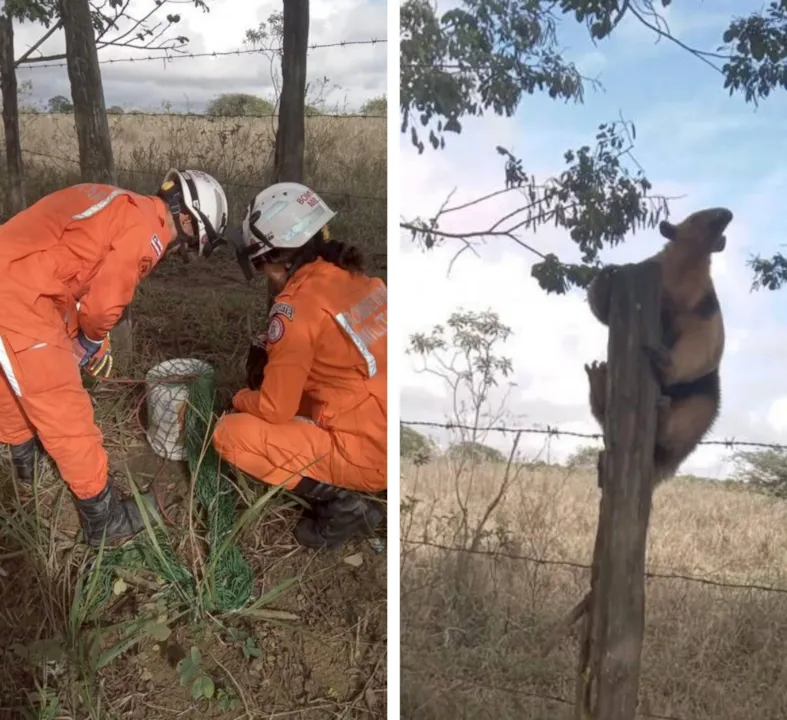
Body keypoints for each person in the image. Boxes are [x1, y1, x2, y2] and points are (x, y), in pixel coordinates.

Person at [0, 169, 229, 546]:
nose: (180, 250)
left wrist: (89, 336)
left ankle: (25, 462)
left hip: (17, 274)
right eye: (189, 243)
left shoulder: (123, 204)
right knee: (65, 406)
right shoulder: (149, 232)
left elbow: (70, 269)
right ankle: (103, 517)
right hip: (21, 295)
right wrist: (89, 341)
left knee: (12, 373)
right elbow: (105, 303)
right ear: (187, 219)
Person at [213, 182, 386, 550]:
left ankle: (343, 504)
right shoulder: (362, 280)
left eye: (260, 263)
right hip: (382, 425)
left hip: (367, 452)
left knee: (231, 434)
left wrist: (242, 397)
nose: (263, 273)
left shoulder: (296, 307)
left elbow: (275, 410)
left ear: (278, 257)